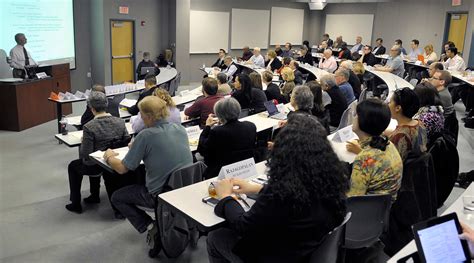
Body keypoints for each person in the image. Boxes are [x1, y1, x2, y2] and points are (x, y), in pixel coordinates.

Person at [207, 114, 349, 263]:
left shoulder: (280, 194)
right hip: (305, 250)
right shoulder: (330, 180)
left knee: (216, 237)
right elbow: (298, 194)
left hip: (276, 254)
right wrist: (258, 189)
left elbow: (243, 226)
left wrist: (226, 197)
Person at [106, 96, 193, 238]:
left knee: (117, 197)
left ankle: (149, 226)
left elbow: (122, 169)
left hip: (160, 194)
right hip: (183, 187)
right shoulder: (180, 128)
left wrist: (109, 156)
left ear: (148, 116)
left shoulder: (145, 135)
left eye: (140, 113)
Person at [66, 91, 131, 214]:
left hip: (96, 166)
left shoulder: (89, 126)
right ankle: (94, 196)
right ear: (106, 104)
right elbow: (126, 141)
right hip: (115, 163)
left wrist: (84, 141)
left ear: (91, 108)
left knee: (73, 166)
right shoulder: (120, 122)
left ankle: (76, 203)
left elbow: (86, 153)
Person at [346, 99, 403, 202]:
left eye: (356, 115)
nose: (354, 118)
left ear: (363, 121)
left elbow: (353, 199)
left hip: (366, 211)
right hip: (384, 208)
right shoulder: (389, 144)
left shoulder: (364, 159)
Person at [197, 98, 257, 179]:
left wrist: (207, 127)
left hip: (222, 173)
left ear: (219, 114)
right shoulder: (251, 126)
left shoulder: (217, 131)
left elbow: (202, 149)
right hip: (246, 169)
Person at [387, 87, 427, 160]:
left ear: (398, 108)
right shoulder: (420, 124)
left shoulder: (400, 136)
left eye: (390, 102)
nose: (388, 104)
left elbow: (393, 163)